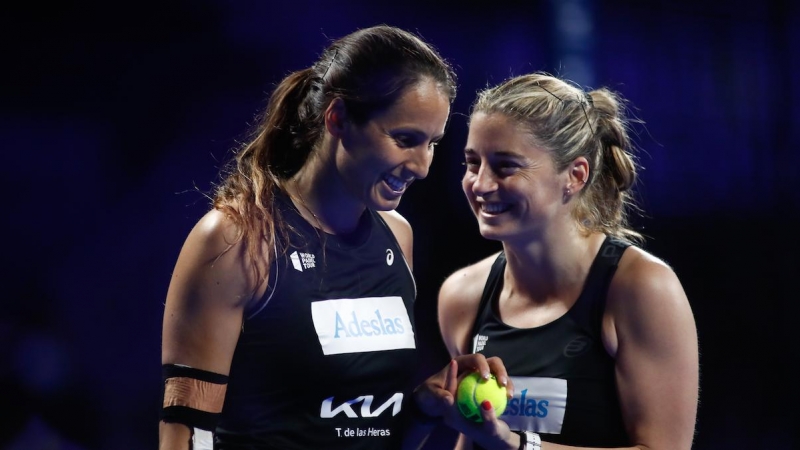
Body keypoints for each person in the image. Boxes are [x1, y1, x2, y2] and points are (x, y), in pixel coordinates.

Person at [158, 24, 506, 450]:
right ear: (337, 118)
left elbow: (369, 436)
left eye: (432, 143)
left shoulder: (399, 238)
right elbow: (186, 432)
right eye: (404, 140)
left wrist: (421, 410)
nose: (421, 166)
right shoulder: (235, 239)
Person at [412, 72, 699, 450]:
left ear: (575, 175)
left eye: (506, 166)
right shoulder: (461, 294)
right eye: (472, 163)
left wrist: (517, 445)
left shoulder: (641, 287)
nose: (480, 184)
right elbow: (475, 439)